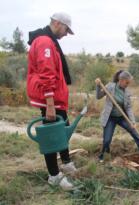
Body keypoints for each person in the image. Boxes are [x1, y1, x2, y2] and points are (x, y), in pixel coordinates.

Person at [27, 12, 76, 190]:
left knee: (61, 130)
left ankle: (65, 163)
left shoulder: (49, 41)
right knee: (51, 136)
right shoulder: (45, 42)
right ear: (57, 23)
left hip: (55, 98)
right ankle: (54, 175)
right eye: (65, 30)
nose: (65, 34)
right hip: (50, 98)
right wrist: (49, 104)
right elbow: (46, 73)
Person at [95, 70, 139, 162]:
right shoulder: (110, 86)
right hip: (110, 118)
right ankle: (103, 156)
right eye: (127, 82)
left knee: (135, 132)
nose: (128, 84)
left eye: (129, 83)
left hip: (122, 117)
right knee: (107, 140)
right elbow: (98, 96)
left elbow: (128, 108)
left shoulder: (127, 92)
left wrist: (133, 122)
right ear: (121, 80)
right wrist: (98, 85)